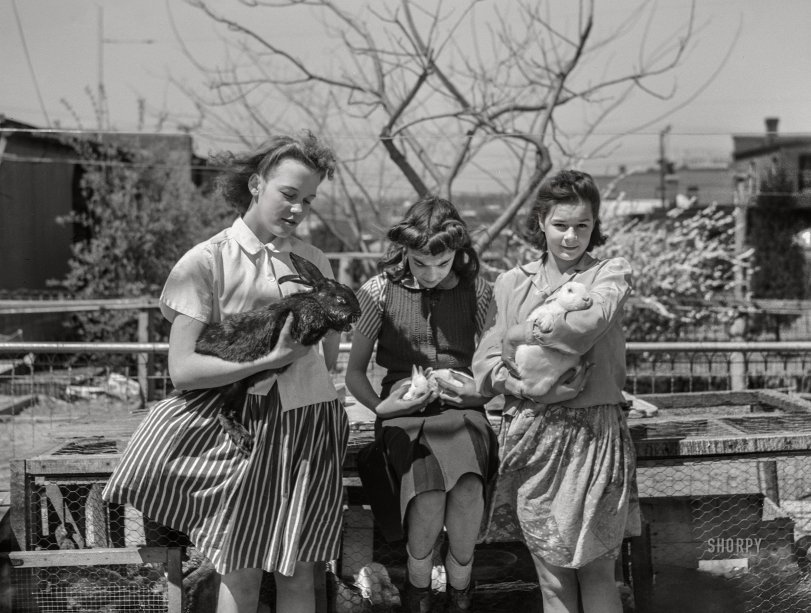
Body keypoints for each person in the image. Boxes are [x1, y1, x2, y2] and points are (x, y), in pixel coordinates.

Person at [102, 131, 346, 613]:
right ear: (256, 184)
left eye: (309, 200)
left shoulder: (314, 260)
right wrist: (267, 361)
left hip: (310, 423)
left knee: (300, 570)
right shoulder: (205, 261)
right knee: (242, 569)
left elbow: (328, 356)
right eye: (289, 195)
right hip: (246, 430)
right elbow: (183, 369)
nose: (298, 210)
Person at [472, 169, 639, 613]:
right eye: (561, 224)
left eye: (582, 225)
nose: (571, 236)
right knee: (551, 579)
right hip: (532, 437)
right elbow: (484, 366)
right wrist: (529, 387)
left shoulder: (609, 274)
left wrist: (519, 334)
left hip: (595, 438)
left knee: (598, 570)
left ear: (594, 225)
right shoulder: (510, 283)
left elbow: (586, 326)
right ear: (541, 222)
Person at [345, 196, 499, 613]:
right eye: (419, 263)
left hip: (465, 408)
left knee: (468, 488)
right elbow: (354, 373)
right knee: (427, 495)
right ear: (404, 252)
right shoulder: (377, 291)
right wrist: (382, 408)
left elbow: (494, 366)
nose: (431, 273)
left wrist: (478, 393)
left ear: (458, 253)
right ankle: (418, 590)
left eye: (443, 263)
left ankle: (460, 584)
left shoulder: (480, 292)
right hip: (403, 411)